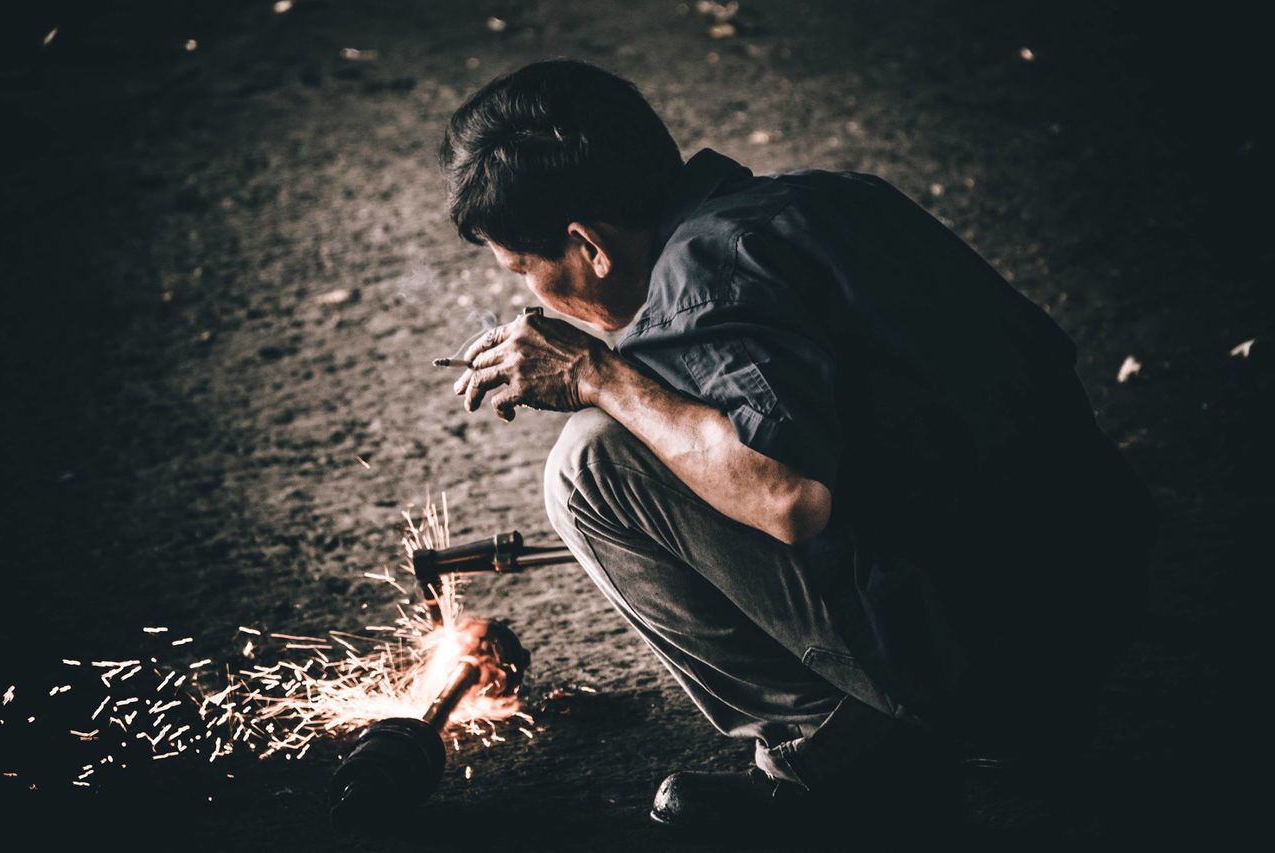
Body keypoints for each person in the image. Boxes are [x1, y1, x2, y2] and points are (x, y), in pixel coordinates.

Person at [438, 58, 1160, 830]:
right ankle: (986, 719)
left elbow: (790, 496)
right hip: (1100, 585)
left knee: (592, 463)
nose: (531, 297)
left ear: (589, 244)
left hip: (992, 662)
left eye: (526, 269)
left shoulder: (702, 273)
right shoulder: (832, 196)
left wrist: (600, 375)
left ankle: (839, 755)